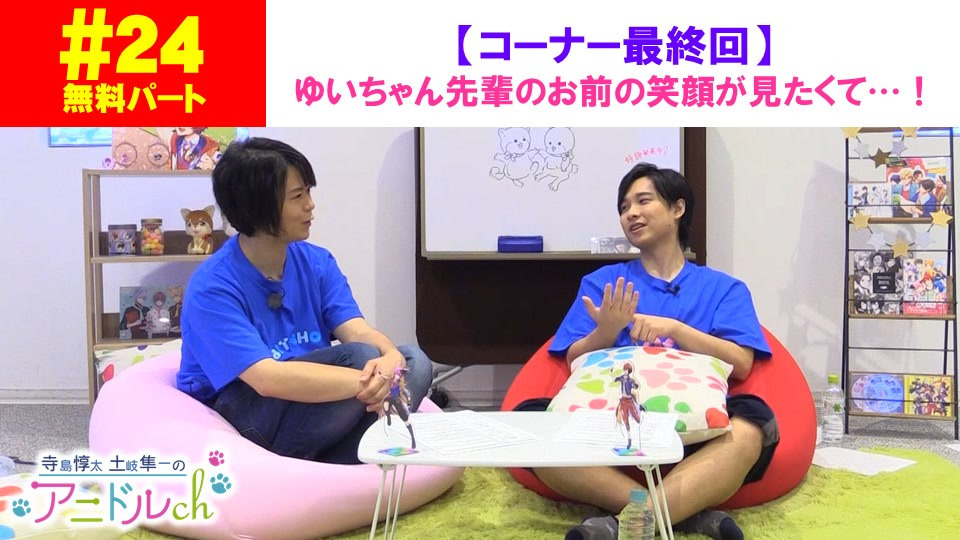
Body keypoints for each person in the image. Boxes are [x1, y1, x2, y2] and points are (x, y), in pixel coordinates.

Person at [535, 163, 777, 540]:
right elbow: (572, 358)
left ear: (677, 208)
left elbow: (742, 362)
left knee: (754, 422)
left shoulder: (724, 288)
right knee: (532, 421)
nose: (631, 213)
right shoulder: (602, 283)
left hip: (697, 424)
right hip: (610, 419)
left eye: (643, 201)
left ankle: (625, 523)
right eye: (624, 207)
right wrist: (607, 329)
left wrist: (676, 329)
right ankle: (680, 514)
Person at [176, 137, 433, 464]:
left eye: (308, 192)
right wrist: (377, 382)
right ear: (256, 206)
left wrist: (391, 358)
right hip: (247, 411)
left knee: (414, 361)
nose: (310, 205)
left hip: (310, 406)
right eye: (297, 196)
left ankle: (337, 460)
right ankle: (307, 462)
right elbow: (266, 379)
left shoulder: (316, 262)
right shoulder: (212, 287)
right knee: (361, 359)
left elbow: (356, 330)